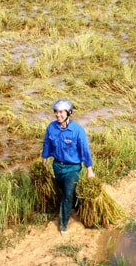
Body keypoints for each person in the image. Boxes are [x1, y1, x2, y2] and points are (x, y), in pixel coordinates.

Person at [42, 99, 95, 234]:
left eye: (61, 112)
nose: (58, 115)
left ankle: (63, 224)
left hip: (73, 168)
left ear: (68, 113)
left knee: (67, 195)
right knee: (66, 191)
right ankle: (78, 205)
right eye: (56, 112)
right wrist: (44, 161)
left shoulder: (77, 131)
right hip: (57, 167)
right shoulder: (51, 127)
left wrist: (89, 170)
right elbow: (47, 144)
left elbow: (85, 150)